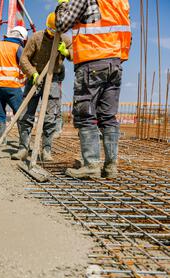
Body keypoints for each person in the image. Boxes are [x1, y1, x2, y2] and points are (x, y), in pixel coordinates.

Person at [55, 0, 131, 178]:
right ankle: (111, 167)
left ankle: (91, 165)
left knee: (85, 114)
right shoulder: (120, 3)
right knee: (108, 116)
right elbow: (128, 36)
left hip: (92, 63)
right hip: (115, 63)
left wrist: (62, 6)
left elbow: (61, 25)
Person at [11, 13, 72, 162]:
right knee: (26, 115)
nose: (53, 34)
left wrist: (66, 52)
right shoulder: (36, 38)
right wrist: (32, 74)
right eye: (51, 31)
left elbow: (76, 56)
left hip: (53, 79)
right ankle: (23, 148)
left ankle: (46, 150)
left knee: (50, 118)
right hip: (35, 78)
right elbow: (24, 58)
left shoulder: (65, 39)